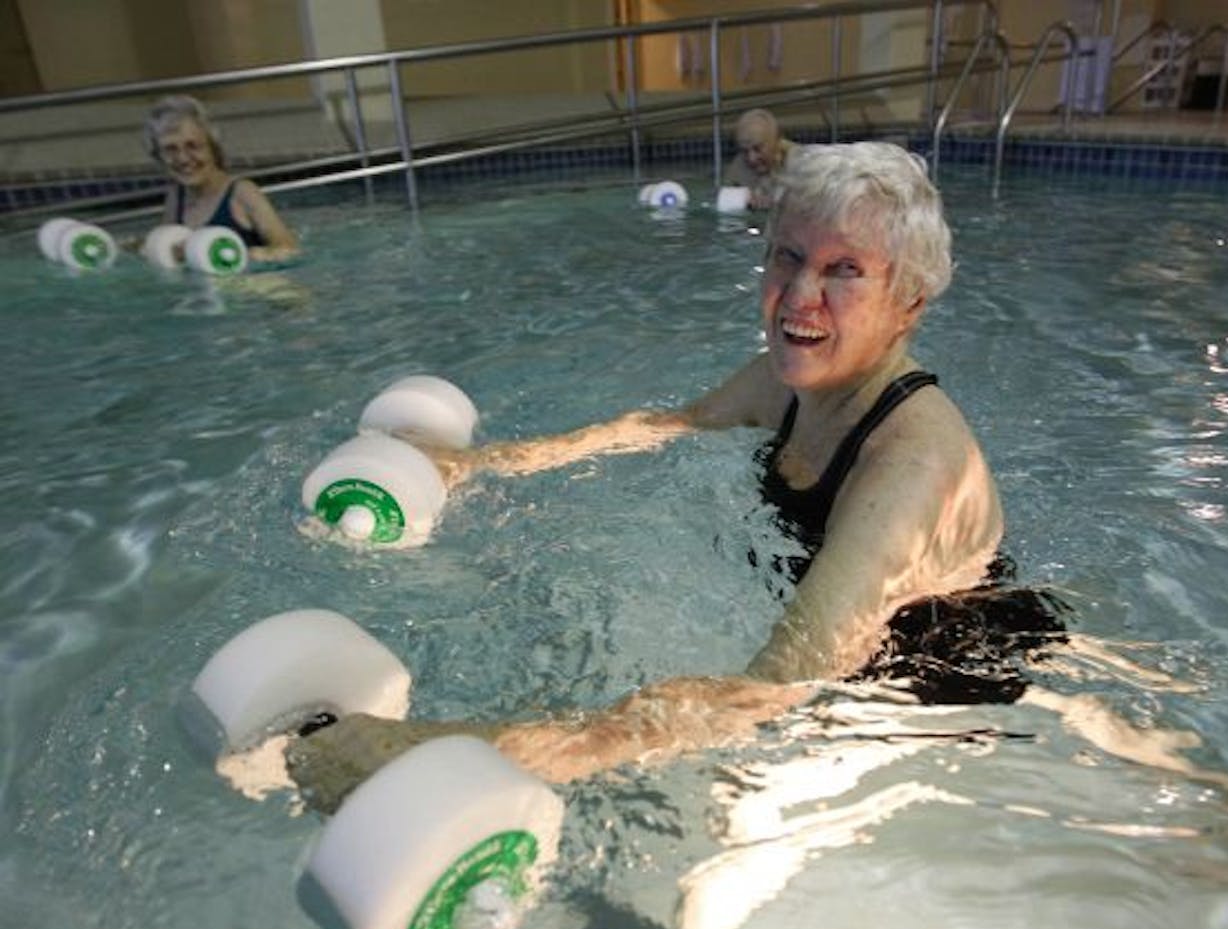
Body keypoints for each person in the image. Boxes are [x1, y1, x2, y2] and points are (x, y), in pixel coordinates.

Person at [287, 141, 1067, 813]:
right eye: (788, 256)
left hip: (948, 697)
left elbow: (771, 693)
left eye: (844, 271)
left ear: (907, 304)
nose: (799, 296)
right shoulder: (793, 379)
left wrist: (430, 758)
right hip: (852, 657)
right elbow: (666, 427)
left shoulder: (909, 463)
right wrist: (477, 467)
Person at [143, 95, 299, 262]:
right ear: (158, 156)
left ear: (212, 148)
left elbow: (289, 249)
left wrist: (233, 255)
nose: (183, 159)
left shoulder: (243, 193)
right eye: (170, 149)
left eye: (193, 146)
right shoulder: (176, 196)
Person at [724, 108, 795, 210]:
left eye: (758, 149)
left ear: (777, 140)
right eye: (745, 151)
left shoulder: (802, 163)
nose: (751, 158)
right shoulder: (738, 167)